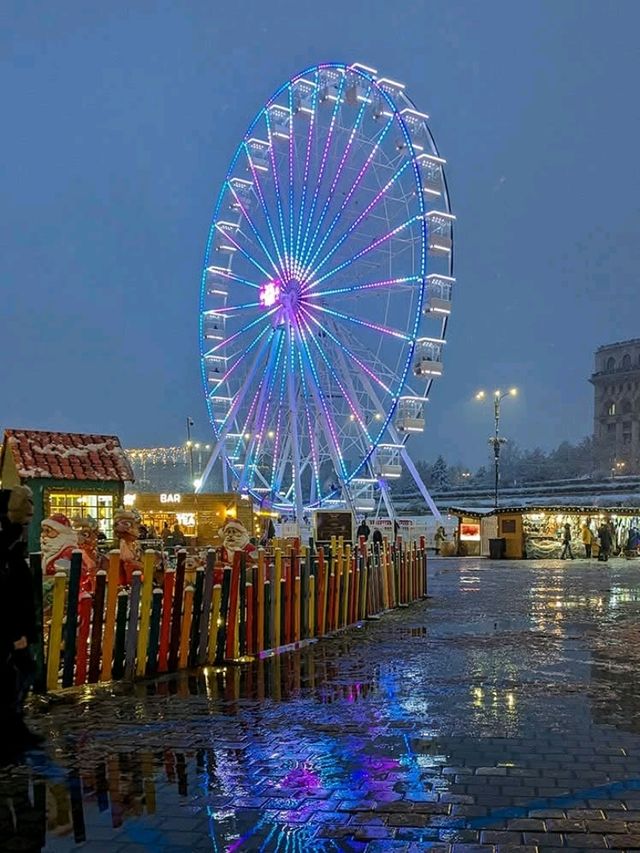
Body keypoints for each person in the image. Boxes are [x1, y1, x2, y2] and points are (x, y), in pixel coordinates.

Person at [0, 486, 43, 755]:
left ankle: (14, 729)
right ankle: (10, 732)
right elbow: (8, 593)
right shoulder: (7, 547)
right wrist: (15, 632)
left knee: (22, 673)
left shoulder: (14, 544)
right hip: (11, 625)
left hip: (18, 622)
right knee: (14, 676)